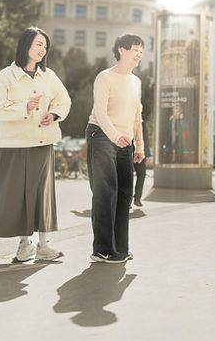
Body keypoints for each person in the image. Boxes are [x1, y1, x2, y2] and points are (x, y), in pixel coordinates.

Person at [0, 27, 71, 262]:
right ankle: (24, 245)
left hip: (43, 142)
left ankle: (44, 245)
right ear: (25, 46)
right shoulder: (6, 76)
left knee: (43, 194)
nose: (43, 49)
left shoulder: (49, 76)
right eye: (38, 44)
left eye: (45, 46)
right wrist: (25, 107)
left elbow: (64, 100)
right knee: (18, 196)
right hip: (15, 145)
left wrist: (53, 114)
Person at [86, 34, 145, 263]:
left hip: (124, 140)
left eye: (141, 51)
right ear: (122, 50)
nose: (139, 55)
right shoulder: (105, 77)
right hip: (101, 134)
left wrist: (139, 146)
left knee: (124, 194)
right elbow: (100, 112)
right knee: (105, 192)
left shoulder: (136, 81)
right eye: (135, 50)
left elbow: (137, 116)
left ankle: (119, 247)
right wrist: (116, 136)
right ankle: (102, 250)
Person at [132, 120, 150, 208]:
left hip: (140, 153)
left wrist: (148, 155)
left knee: (142, 174)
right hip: (127, 153)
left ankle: (137, 198)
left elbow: (145, 139)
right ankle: (127, 200)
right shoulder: (125, 120)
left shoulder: (141, 123)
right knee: (126, 177)